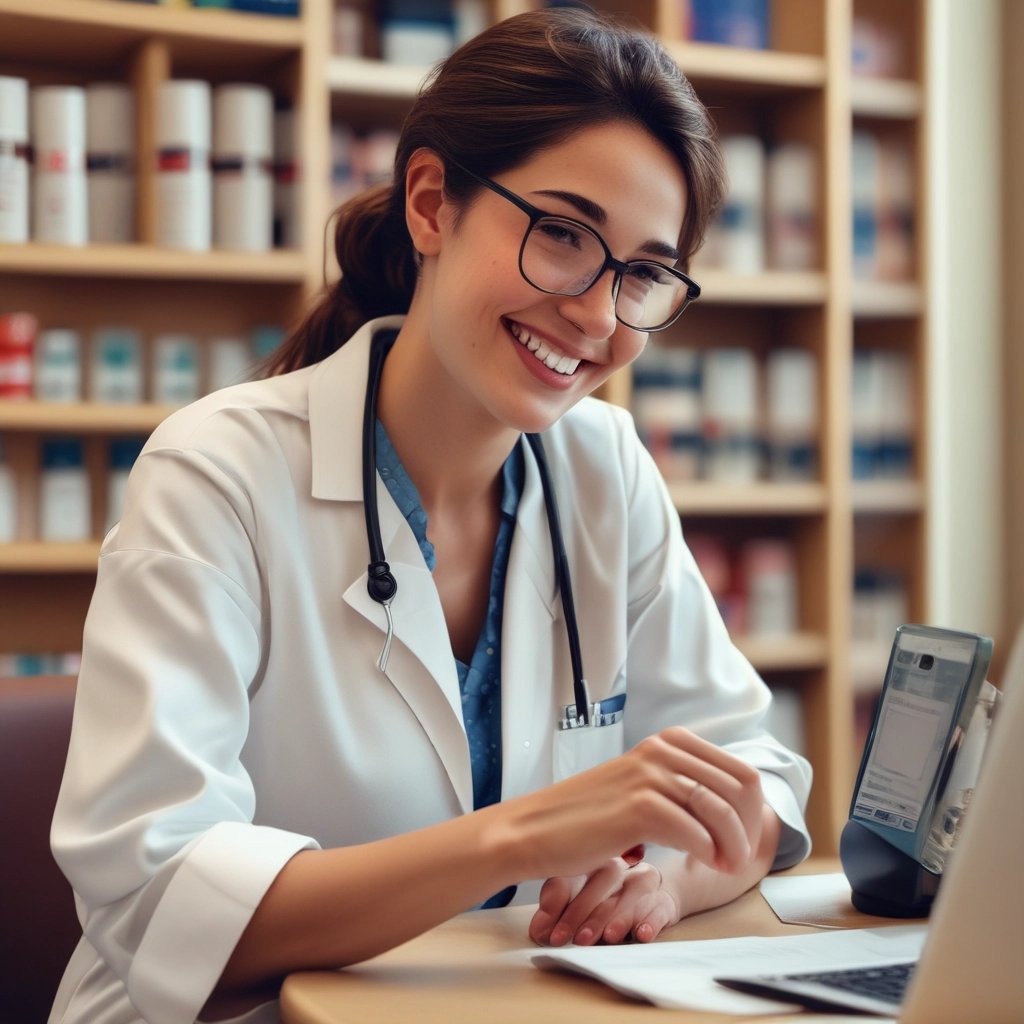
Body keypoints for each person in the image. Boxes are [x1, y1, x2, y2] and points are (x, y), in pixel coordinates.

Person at [50, 8, 812, 1023]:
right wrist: (527, 835)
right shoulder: (216, 473)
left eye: (639, 272)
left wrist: (663, 881)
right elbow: (160, 900)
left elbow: (753, 776)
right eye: (561, 234)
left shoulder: (604, 469)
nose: (594, 314)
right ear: (430, 204)